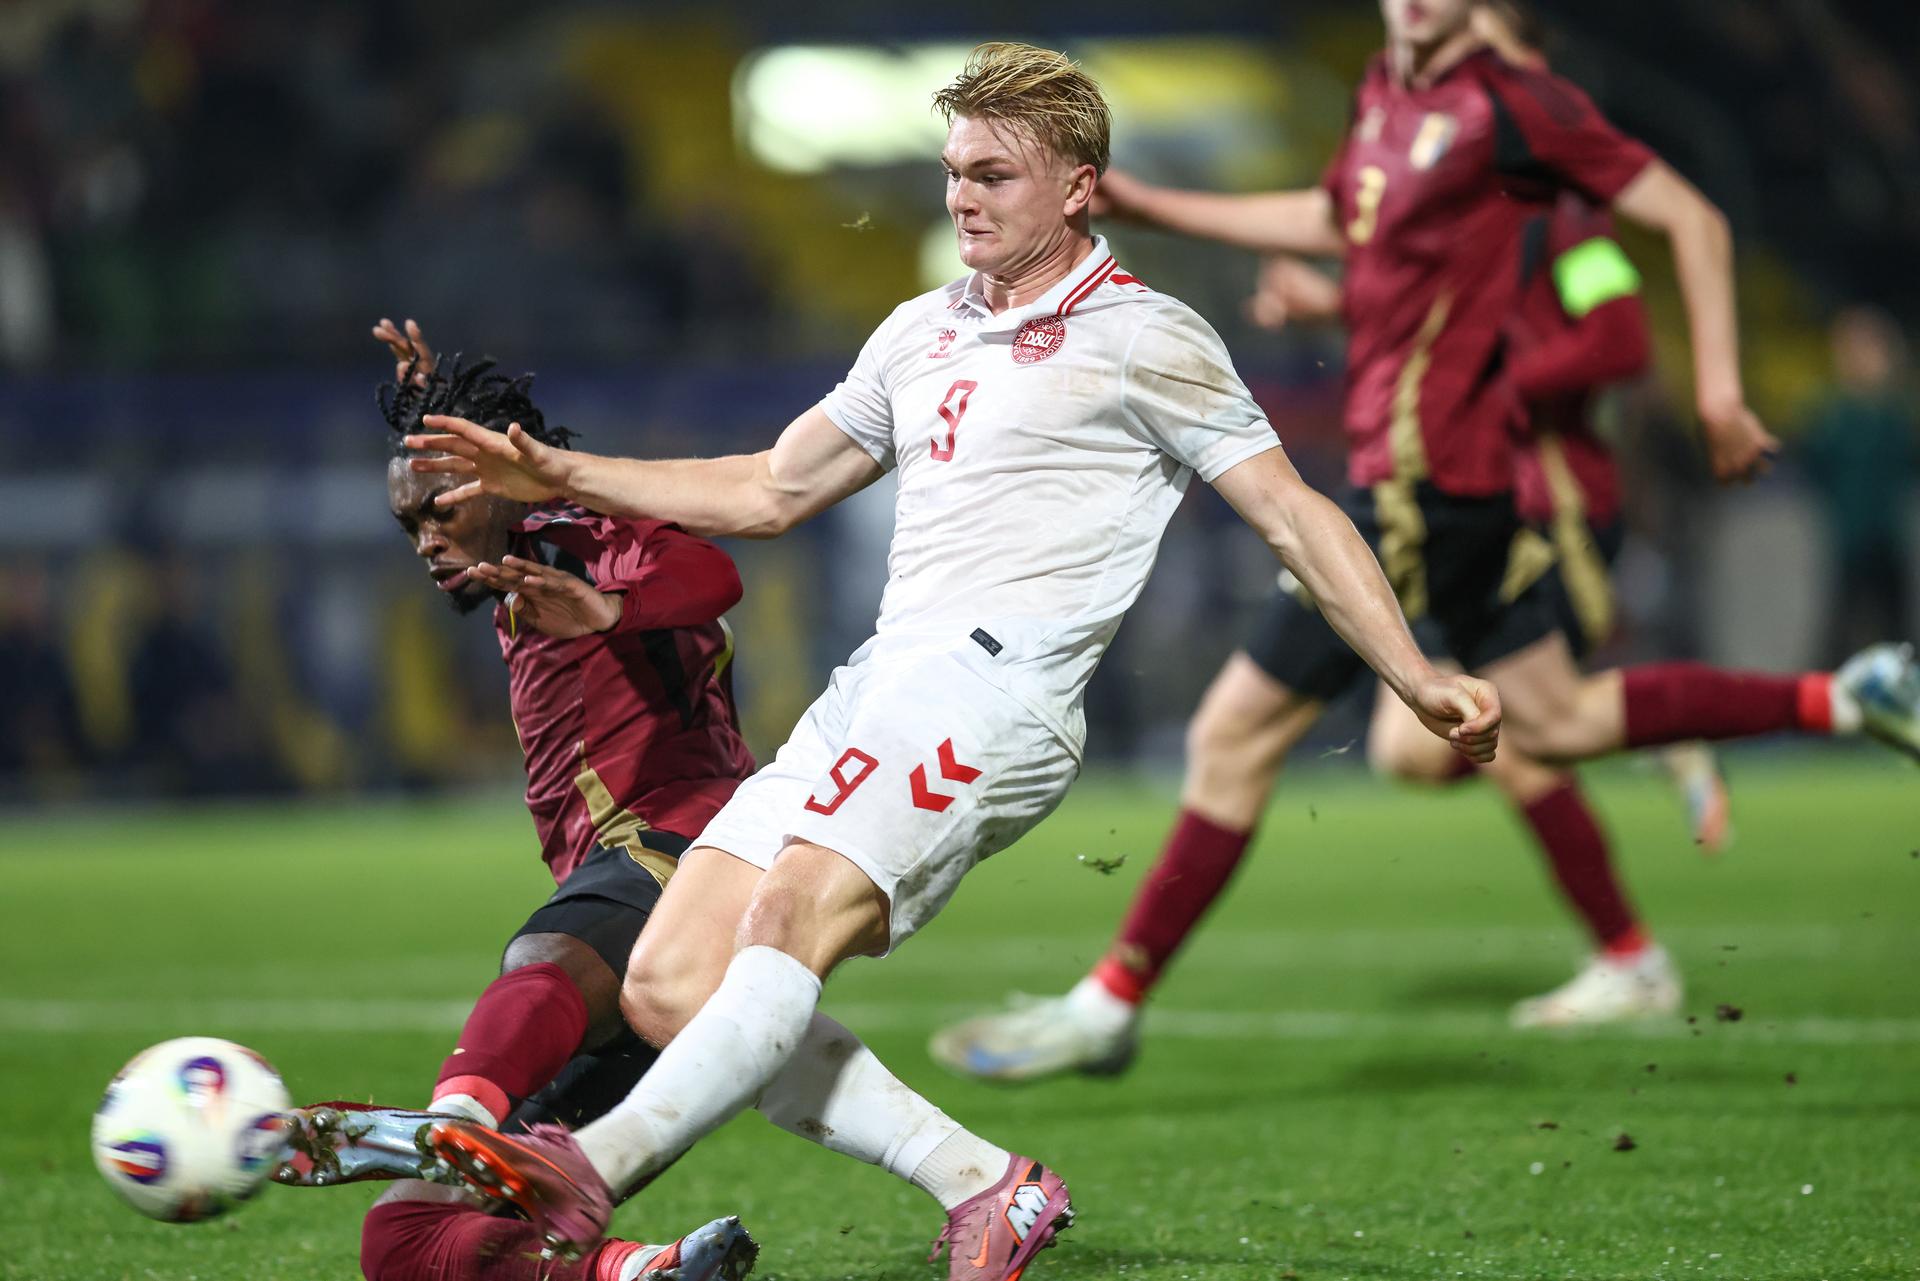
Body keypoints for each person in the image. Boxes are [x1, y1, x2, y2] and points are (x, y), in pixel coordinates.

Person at [398, 42, 1502, 1278]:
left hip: (997, 692)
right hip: (879, 683)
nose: (961, 198)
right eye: (952, 173)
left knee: (785, 916)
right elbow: (770, 487)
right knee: (670, 979)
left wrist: (1413, 672)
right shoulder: (920, 330)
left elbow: (1295, 513)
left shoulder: (1147, 336)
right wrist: (560, 473)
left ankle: (589, 1169)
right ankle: (986, 1186)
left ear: (1079, 186)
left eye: (993, 174)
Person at [928, 0, 1919, 1080]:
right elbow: (1343, 218)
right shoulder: (1388, 94)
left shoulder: (1526, 119)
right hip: (1459, 488)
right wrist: (1165, 210)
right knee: (1553, 719)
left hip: (1431, 489)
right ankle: (1843, 696)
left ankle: (1110, 1002)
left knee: (1236, 739)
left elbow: (1662, 263)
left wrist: (1719, 394)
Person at [272, 322, 761, 1281]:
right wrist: (426, 416)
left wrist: (611, 609)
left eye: (438, 510)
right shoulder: (519, 562)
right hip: (628, 915)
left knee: (541, 952)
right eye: (409, 524)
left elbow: (715, 574)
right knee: (405, 1240)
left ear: (497, 476)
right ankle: (637, 1271)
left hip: (688, 846)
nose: (425, 540)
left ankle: (455, 1116)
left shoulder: (583, 538)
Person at [1802, 305, 1917, 664]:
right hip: (1847, 539)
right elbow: (1814, 463)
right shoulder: (1833, 415)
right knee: (1840, 623)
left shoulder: (1894, 415)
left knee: (1895, 624)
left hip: (1883, 537)